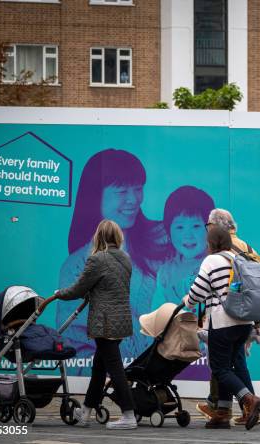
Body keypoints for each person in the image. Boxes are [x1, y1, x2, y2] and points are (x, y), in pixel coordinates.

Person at [56, 149, 168, 375]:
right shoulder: (77, 264)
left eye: (138, 189)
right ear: (95, 195)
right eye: (121, 190)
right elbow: (75, 343)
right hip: (116, 353)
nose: (134, 199)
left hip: (157, 360)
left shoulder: (163, 236)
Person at [197, 208, 260, 426]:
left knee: (226, 364)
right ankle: (228, 409)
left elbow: (209, 287)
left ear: (216, 226)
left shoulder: (226, 249)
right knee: (233, 361)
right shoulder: (247, 247)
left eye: (208, 226)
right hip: (246, 314)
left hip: (228, 315)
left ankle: (246, 404)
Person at [55, 219, 137, 430]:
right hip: (120, 323)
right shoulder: (126, 259)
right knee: (99, 369)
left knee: (115, 369)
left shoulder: (97, 259)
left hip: (105, 323)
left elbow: (78, 289)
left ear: (98, 236)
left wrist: (59, 294)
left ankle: (129, 415)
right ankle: (85, 412)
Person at [182, 227, 260, 430]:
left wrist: (188, 300)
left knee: (220, 369)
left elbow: (198, 292)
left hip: (223, 323)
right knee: (230, 366)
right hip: (244, 324)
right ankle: (222, 413)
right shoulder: (238, 258)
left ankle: (249, 400)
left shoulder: (211, 260)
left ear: (211, 243)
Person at [154, 186, 215, 305]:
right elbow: (157, 311)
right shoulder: (165, 272)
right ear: (169, 232)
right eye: (180, 227)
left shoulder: (213, 266)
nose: (188, 235)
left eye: (196, 226)